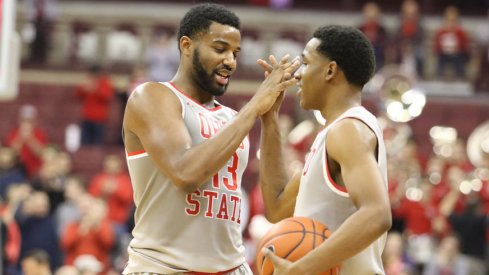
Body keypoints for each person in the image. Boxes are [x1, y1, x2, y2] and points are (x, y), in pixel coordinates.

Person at [121, 3, 299, 275]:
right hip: (164, 268)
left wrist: (270, 115)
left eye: (235, 53)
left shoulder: (232, 118)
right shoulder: (153, 97)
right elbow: (185, 172)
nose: (231, 61)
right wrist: (253, 107)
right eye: (220, 49)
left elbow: (275, 209)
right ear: (186, 45)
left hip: (232, 267)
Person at [259, 25, 392, 274]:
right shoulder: (333, 133)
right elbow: (276, 209)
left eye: (306, 63)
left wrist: (300, 268)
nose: (298, 75)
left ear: (330, 70)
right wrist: (269, 117)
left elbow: (377, 214)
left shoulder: (348, 129)